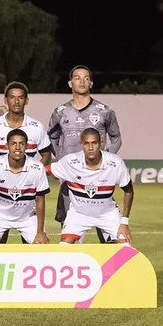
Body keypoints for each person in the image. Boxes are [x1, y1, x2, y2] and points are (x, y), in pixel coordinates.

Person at [47, 65, 122, 243]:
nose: (82, 81)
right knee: (70, 238)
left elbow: (117, 138)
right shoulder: (60, 112)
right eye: (77, 78)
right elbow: (50, 138)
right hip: (71, 182)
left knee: (109, 235)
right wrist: (62, 161)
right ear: (70, 83)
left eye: (86, 78)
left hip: (99, 179)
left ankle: (111, 270)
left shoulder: (104, 111)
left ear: (91, 83)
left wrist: (106, 161)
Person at [48, 128, 133, 244]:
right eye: (87, 143)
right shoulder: (70, 162)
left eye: (94, 143)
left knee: (125, 246)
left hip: (107, 214)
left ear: (101, 143)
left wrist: (124, 222)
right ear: (81, 144)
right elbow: (44, 171)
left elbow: (128, 191)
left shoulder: (115, 163)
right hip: (78, 214)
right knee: (64, 248)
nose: (91, 148)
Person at [0, 129, 50, 244]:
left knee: (42, 245)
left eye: (21, 144)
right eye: (13, 143)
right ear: (7, 146)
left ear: (26, 146)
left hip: (27, 216)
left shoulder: (37, 167)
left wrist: (40, 231)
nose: (17, 147)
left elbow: (40, 200)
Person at [0, 81, 52, 166]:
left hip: (28, 179)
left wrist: (35, 173)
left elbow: (47, 155)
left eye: (20, 98)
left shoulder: (37, 127)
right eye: (12, 97)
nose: (16, 102)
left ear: (26, 101)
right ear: (6, 100)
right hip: (1, 179)